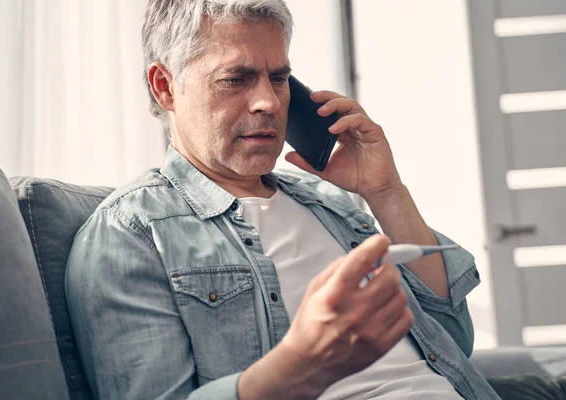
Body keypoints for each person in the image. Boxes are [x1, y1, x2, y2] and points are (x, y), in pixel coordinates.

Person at [65, 1, 501, 399]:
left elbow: (452, 342)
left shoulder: (327, 204)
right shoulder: (131, 233)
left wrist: (385, 192)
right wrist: (303, 361)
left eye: (278, 78)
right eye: (235, 79)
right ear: (165, 87)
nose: (269, 102)